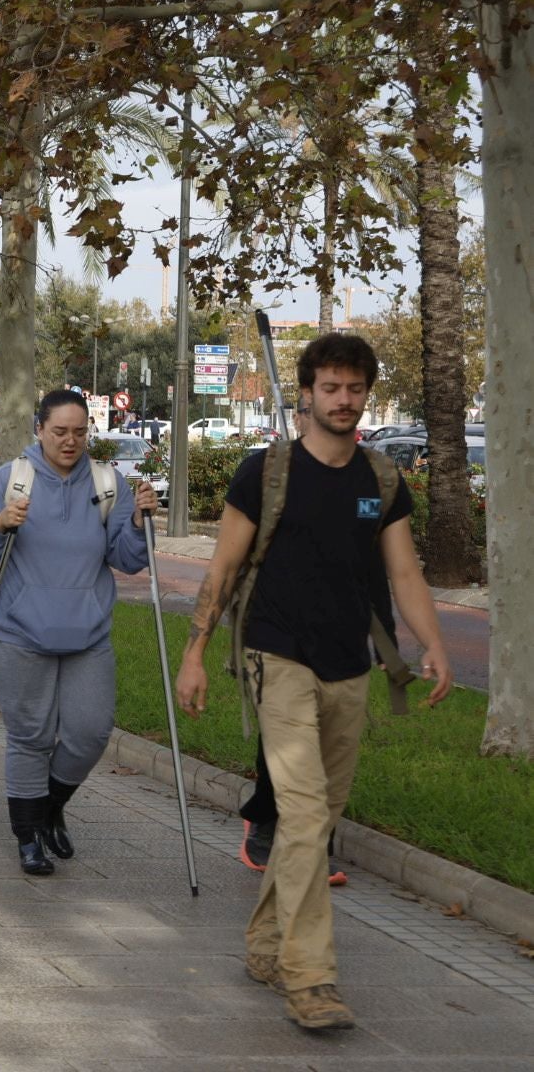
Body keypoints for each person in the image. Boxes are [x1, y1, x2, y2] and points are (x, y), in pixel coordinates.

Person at [175, 334, 452, 1032]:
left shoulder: (380, 481)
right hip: (278, 658)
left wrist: (435, 646)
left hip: (349, 667)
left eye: (355, 389)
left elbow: (404, 574)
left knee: (316, 820)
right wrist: (196, 652)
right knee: (302, 819)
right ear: (306, 393)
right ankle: (311, 978)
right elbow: (223, 571)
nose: (343, 400)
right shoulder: (264, 472)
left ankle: (267, 944)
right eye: (331, 387)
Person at [0, 389, 156, 876]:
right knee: (31, 736)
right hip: (18, 631)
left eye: (79, 432)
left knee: (90, 732)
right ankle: (28, 837)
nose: (70, 441)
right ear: (40, 430)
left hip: (87, 633)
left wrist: (137, 522)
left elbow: (129, 560)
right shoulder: (11, 481)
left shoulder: (108, 483)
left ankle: (47, 809)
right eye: (60, 431)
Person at [238, 404, 349, 886]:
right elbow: (233, 552)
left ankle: (313, 835)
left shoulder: (359, 475)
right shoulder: (266, 471)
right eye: (309, 410)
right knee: (285, 737)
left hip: (336, 632)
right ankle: (268, 822)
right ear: (299, 413)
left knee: (325, 739)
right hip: (274, 629)